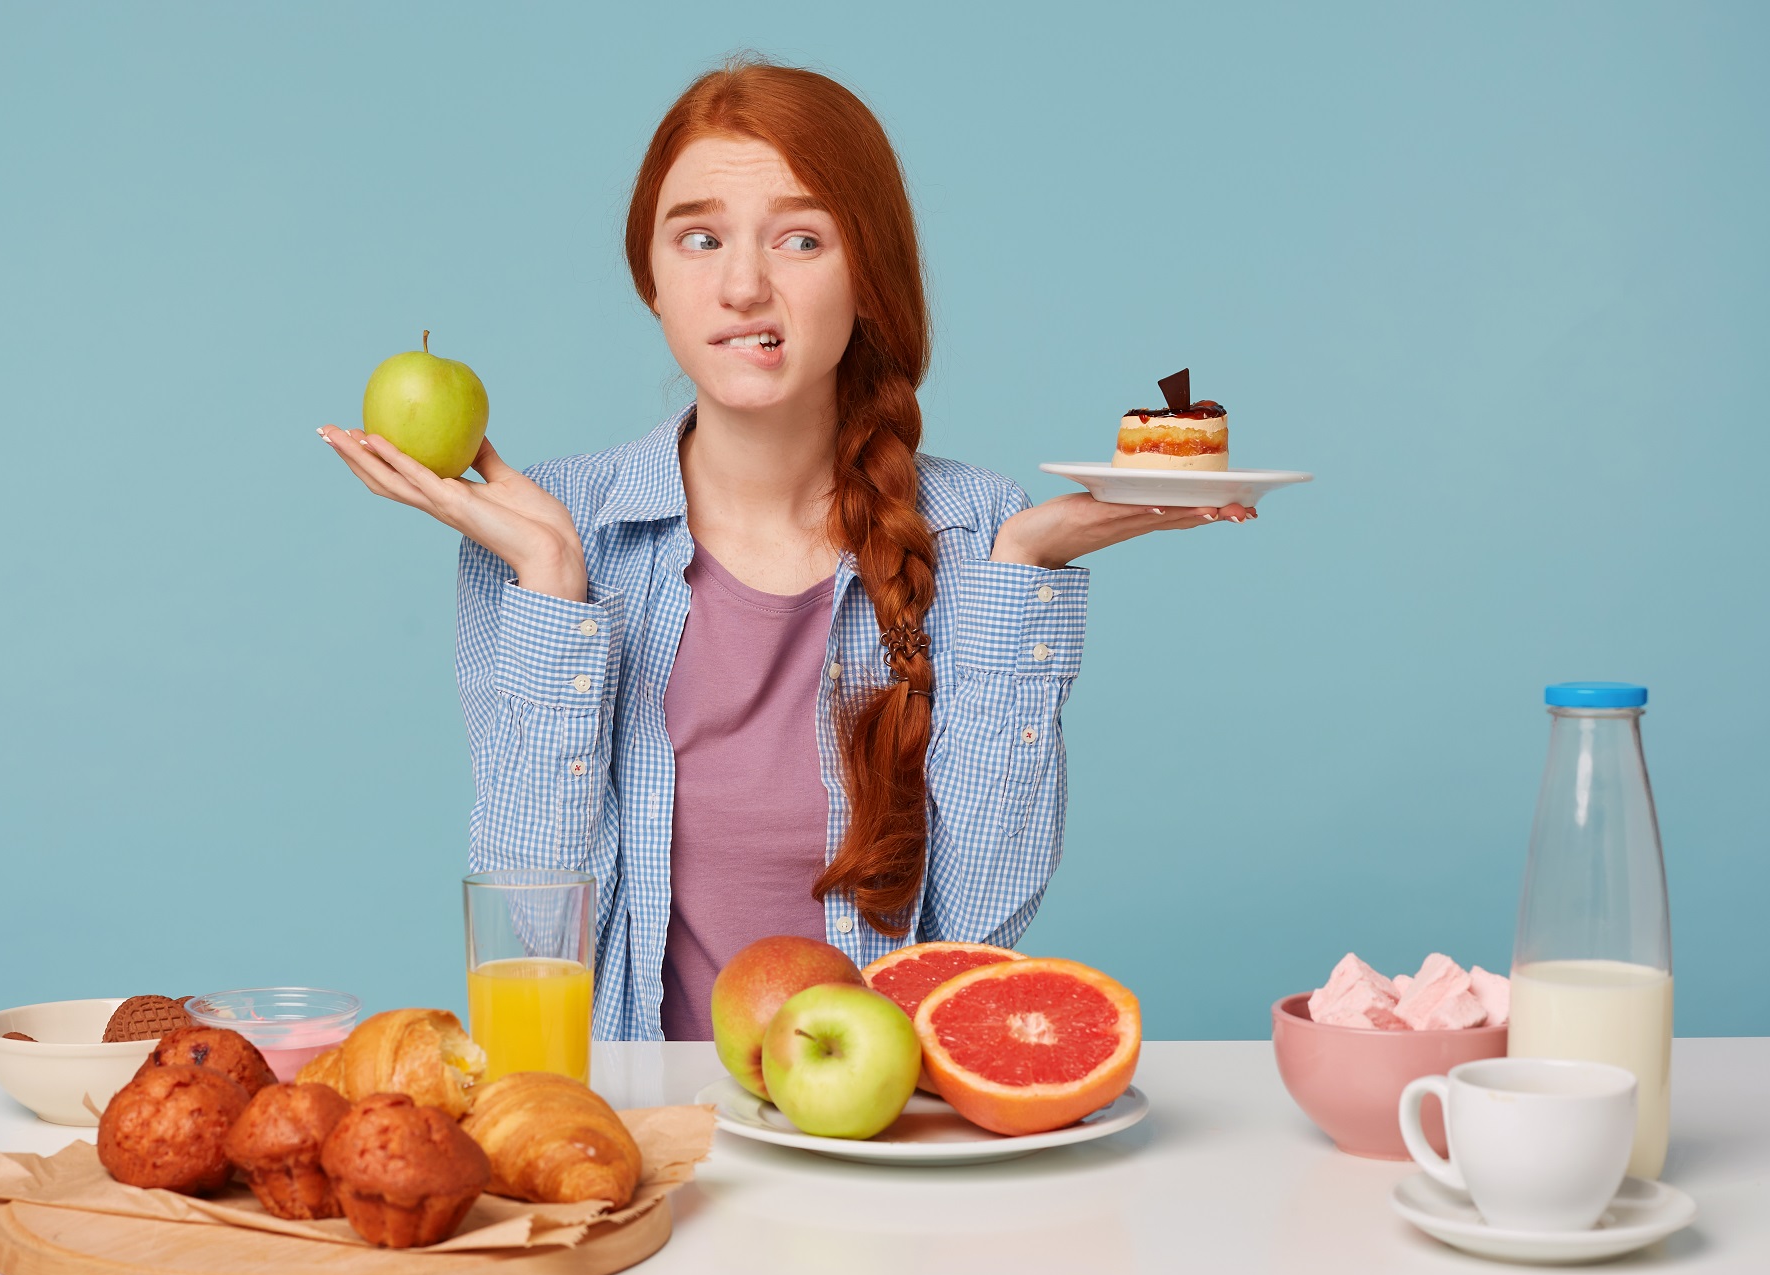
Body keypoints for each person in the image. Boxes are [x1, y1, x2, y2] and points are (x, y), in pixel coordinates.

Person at [320, 61, 1255, 1040]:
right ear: (650, 278)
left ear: (868, 276)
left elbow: (972, 949)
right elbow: (533, 947)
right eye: (699, 237)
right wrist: (554, 590)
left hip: (871, 1139)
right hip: (639, 1143)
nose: (740, 286)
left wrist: (1018, 568)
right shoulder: (547, 532)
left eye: (799, 239)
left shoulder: (974, 531)